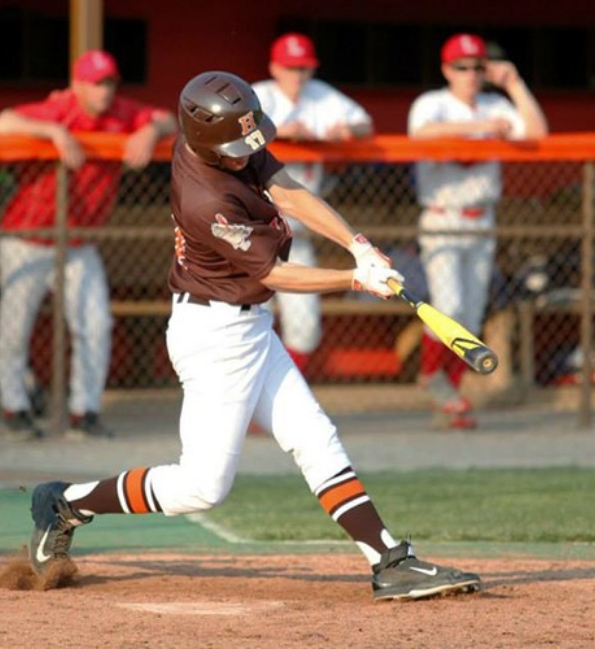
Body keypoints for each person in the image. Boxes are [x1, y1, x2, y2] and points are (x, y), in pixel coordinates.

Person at [26, 70, 481, 602]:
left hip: (250, 326)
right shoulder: (206, 199)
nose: (248, 153)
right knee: (202, 487)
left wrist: (356, 244)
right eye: (237, 146)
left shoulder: (228, 145)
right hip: (213, 335)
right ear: (206, 143)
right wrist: (352, 279)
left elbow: (288, 191)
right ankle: (66, 502)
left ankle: (388, 561)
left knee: (314, 436)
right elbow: (275, 276)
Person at [0, 50, 177, 441]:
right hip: (26, 239)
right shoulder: (59, 107)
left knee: (96, 325)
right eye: (97, 83)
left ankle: (85, 412)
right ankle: (14, 407)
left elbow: (168, 119)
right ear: (77, 84)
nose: (104, 90)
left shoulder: (121, 110)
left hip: (79, 242)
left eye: (110, 82)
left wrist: (149, 132)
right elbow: (3, 122)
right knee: (13, 332)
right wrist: (54, 133)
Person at [407, 34, 548, 429]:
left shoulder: (496, 102)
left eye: (476, 67)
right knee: (448, 307)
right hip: (442, 215)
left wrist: (514, 84)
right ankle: (431, 375)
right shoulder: (432, 103)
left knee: (468, 319)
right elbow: (421, 133)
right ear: (446, 70)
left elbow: (538, 133)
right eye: (461, 67)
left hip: (482, 219)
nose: (469, 75)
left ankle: (450, 399)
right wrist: (483, 126)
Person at [252, 32, 374, 373]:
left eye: (304, 68)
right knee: (249, 319)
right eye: (291, 68)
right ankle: (252, 398)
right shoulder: (258, 94)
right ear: (275, 68)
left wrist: (344, 131)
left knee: (305, 327)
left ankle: (278, 395)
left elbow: (364, 124)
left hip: (297, 230)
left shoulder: (322, 96)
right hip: (253, 227)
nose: (298, 76)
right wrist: (283, 132)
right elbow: (232, 134)